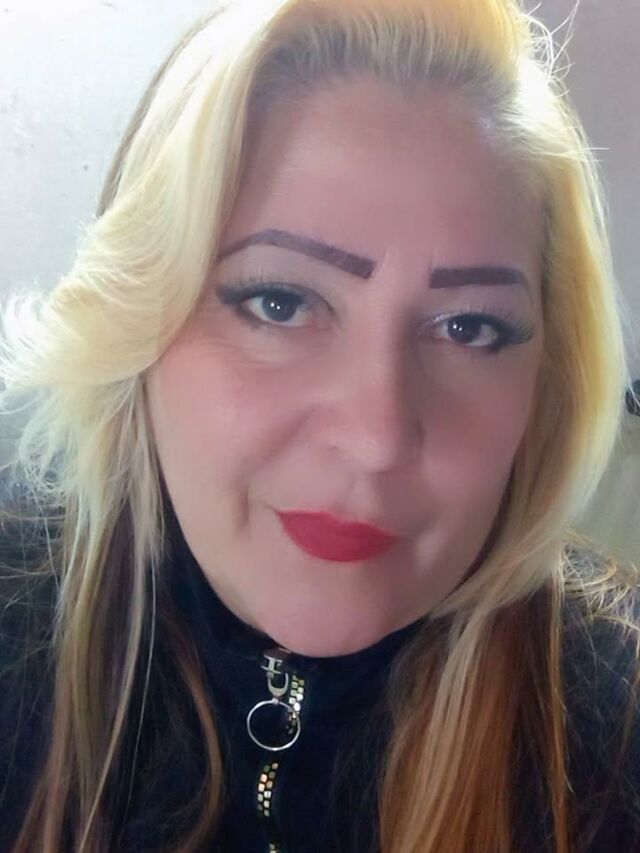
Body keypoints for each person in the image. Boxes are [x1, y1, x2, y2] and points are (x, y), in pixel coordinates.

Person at [0, 0, 639, 850]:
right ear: (139, 320)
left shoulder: (616, 730)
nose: (377, 437)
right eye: (280, 302)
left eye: (468, 327)